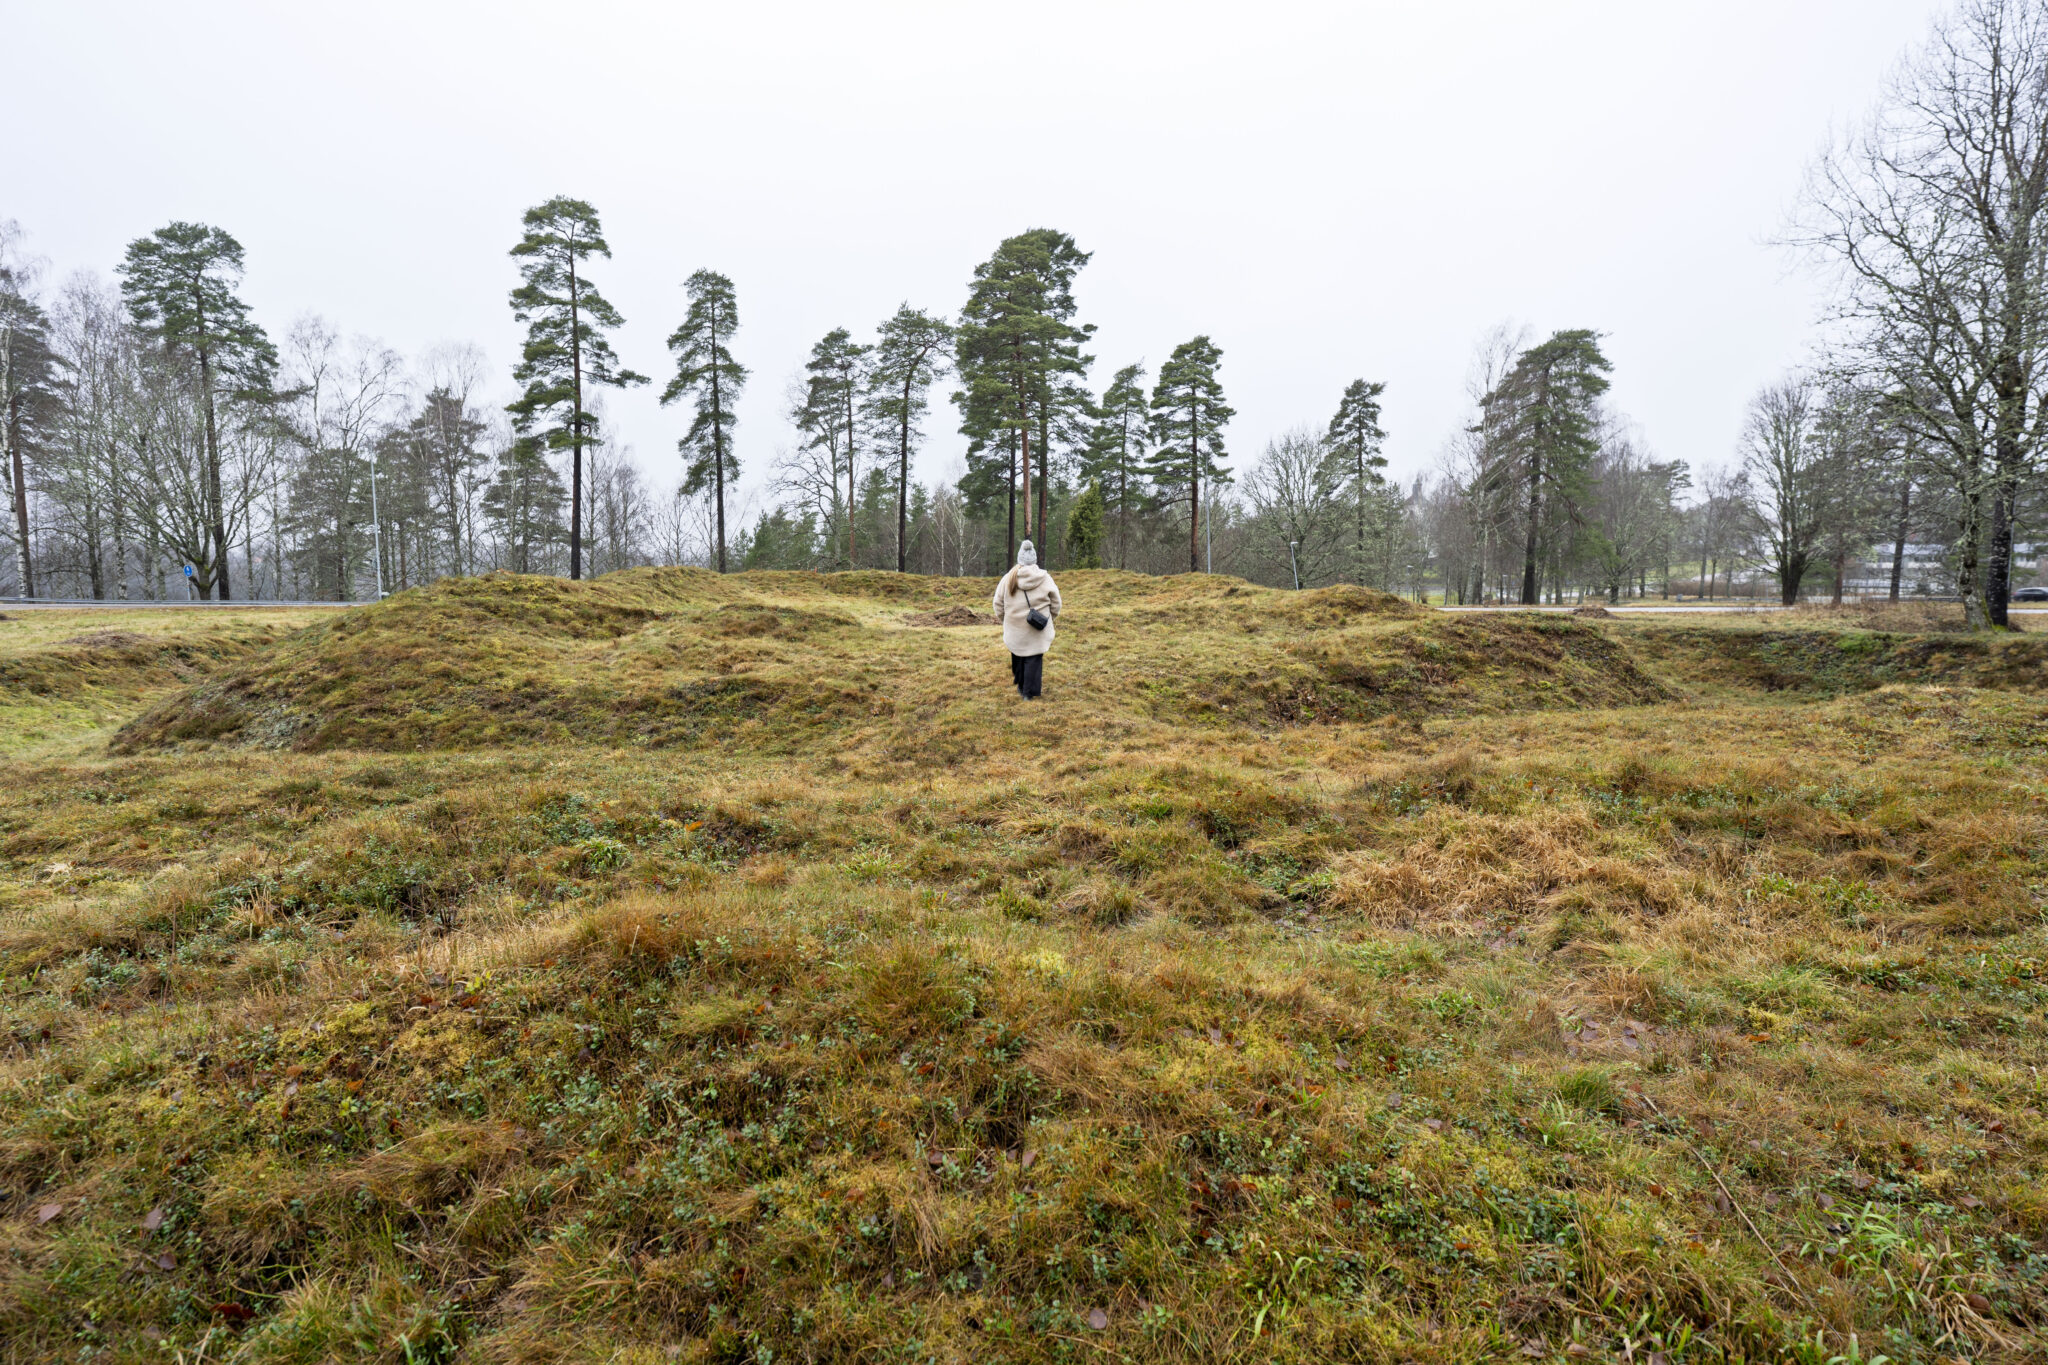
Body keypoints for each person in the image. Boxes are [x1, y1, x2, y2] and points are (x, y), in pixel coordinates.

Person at [993, 539, 1061, 699]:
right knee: (1034, 659)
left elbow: (998, 604)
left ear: (1020, 559)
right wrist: (1049, 619)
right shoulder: (1045, 578)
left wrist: (1007, 621)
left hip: (1015, 629)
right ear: (1035, 559)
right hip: (1038, 629)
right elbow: (1056, 604)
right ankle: (1029, 694)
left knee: (1018, 655)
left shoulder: (1008, 578)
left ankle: (1021, 686)